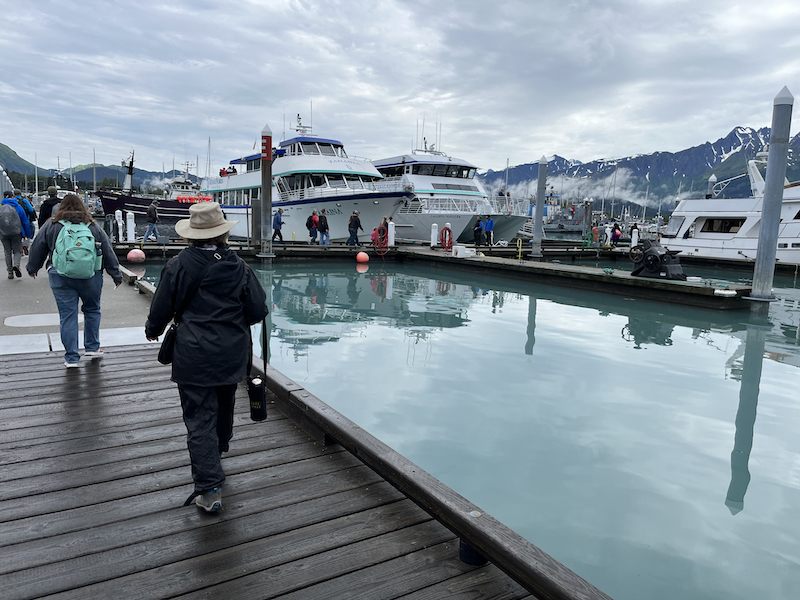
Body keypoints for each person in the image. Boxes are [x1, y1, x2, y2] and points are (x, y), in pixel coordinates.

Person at [144, 202, 267, 513]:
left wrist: (152, 329)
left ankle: (210, 489)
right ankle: (218, 450)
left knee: (199, 417)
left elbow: (161, 308)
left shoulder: (178, 265)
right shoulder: (240, 267)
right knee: (225, 404)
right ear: (222, 233)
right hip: (232, 352)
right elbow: (257, 311)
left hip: (193, 353)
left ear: (191, 235)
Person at [26, 194, 122, 367]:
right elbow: (107, 250)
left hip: (60, 276)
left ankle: (71, 357)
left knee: (68, 316)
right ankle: (92, 347)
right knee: (92, 310)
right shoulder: (93, 226)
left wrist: (33, 268)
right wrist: (116, 274)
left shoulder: (52, 224)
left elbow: (37, 247)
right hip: (91, 275)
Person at [2, 190, 33, 279]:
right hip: (17, 232)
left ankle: (10, 272)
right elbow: (25, 221)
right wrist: (27, 234)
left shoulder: (1, 206)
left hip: (4, 233)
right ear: (12, 196)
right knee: (17, 250)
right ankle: (16, 264)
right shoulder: (18, 206)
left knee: (7, 252)